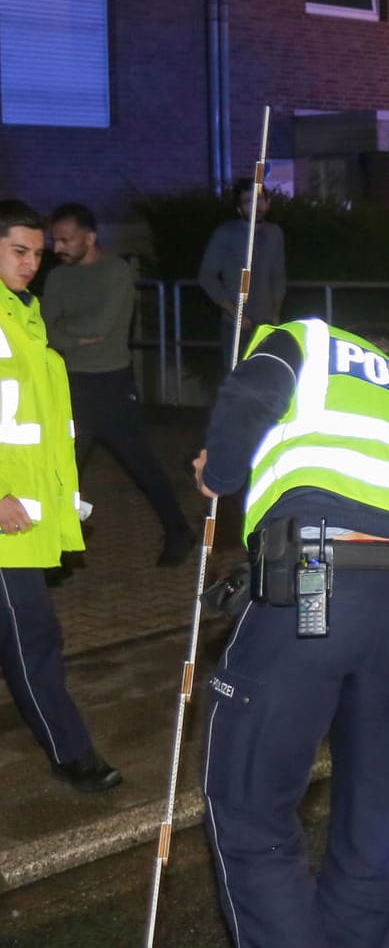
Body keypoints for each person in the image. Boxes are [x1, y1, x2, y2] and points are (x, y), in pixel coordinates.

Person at [194, 317, 389, 947]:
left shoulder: (309, 342)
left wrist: (218, 472)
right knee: (376, 835)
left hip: (314, 588)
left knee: (252, 814)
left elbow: (251, 396)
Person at [0, 200, 122, 793]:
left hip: (22, 517)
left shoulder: (25, 317)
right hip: (4, 521)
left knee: (29, 634)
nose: (30, 264)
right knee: (33, 637)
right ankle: (71, 751)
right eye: (18, 251)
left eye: (37, 255)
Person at [43, 203, 196, 566]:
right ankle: (63, 547)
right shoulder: (58, 278)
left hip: (112, 385)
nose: (57, 247)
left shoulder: (115, 272)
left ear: (90, 237)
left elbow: (95, 329)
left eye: (65, 239)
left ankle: (179, 531)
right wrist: (69, 337)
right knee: (63, 470)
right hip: (71, 385)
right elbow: (44, 329)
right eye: (55, 240)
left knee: (141, 464)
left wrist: (66, 334)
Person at [197, 179, 286, 365]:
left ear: (268, 202)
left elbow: (278, 276)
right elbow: (207, 276)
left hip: (266, 325)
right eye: (248, 201)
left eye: (260, 199)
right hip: (236, 327)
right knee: (237, 380)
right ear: (239, 209)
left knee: (266, 379)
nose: (255, 206)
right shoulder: (226, 234)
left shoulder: (275, 234)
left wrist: (276, 314)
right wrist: (234, 312)